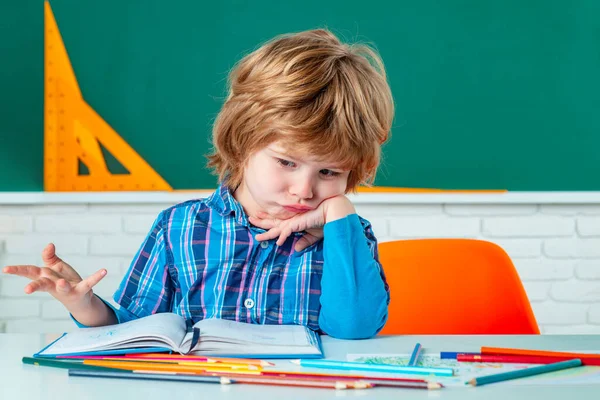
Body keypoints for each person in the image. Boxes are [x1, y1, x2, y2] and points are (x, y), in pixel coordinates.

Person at [3, 29, 394, 339]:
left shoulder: (348, 236)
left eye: (329, 173)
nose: (304, 190)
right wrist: (84, 304)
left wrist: (341, 212)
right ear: (242, 143)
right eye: (286, 162)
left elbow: (355, 329)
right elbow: (135, 328)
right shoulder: (180, 228)